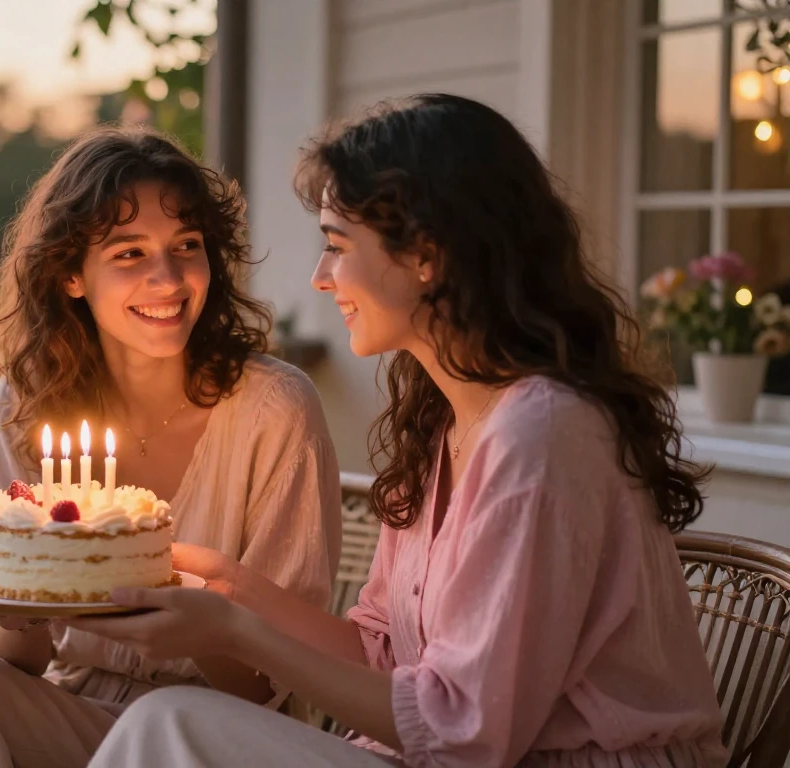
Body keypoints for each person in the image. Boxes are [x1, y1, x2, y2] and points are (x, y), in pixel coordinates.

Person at [70, 95, 728, 768]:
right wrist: (225, 586)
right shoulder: (443, 424)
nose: (320, 279)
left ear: (427, 256)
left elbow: (464, 730)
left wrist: (235, 633)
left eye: (336, 245)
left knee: (174, 725)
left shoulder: (541, 436)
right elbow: (381, 652)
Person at [0, 125, 342, 768]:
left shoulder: (275, 411)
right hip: (68, 715)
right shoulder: (24, 404)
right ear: (71, 274)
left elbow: (268, 680)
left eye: (188, 245)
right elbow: (12, 657)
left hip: (218, 731)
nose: (169, 278)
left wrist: (187, 617)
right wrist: (22, 611)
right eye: (130, 254)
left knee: (163, 713)